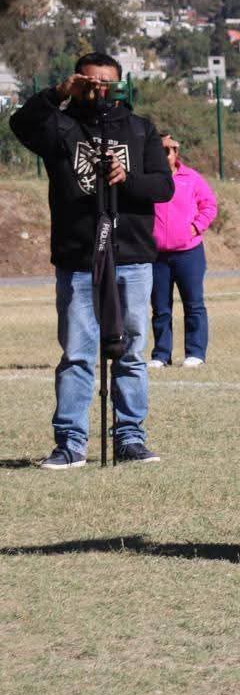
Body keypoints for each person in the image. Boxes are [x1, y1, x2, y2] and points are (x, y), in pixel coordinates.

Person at [9, 51, 173, 467]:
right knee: (78, 354)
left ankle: (130, 438)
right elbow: (19, 125)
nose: (99, 90)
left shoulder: (140, 129)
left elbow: (163, 187)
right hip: (79, 259)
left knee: (131, 352)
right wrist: (57, 94)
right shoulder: (60, 126)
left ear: (120, 86)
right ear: (76, 82)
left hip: (132, 257)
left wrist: (126, 178)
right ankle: (71, 443)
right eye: (89, 82)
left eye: (107, 83)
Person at [149, 134, 216, 368]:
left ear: (176, 153)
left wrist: (195, 227)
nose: (163, 155)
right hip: (157, 255)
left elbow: (209, 205)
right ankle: (161, 355)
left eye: (167, 150)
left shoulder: (192, 178)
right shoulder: (148, 179)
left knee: (194, 304)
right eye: (159, 150)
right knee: (160, 308)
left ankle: (195, 353)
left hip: (189, 253)